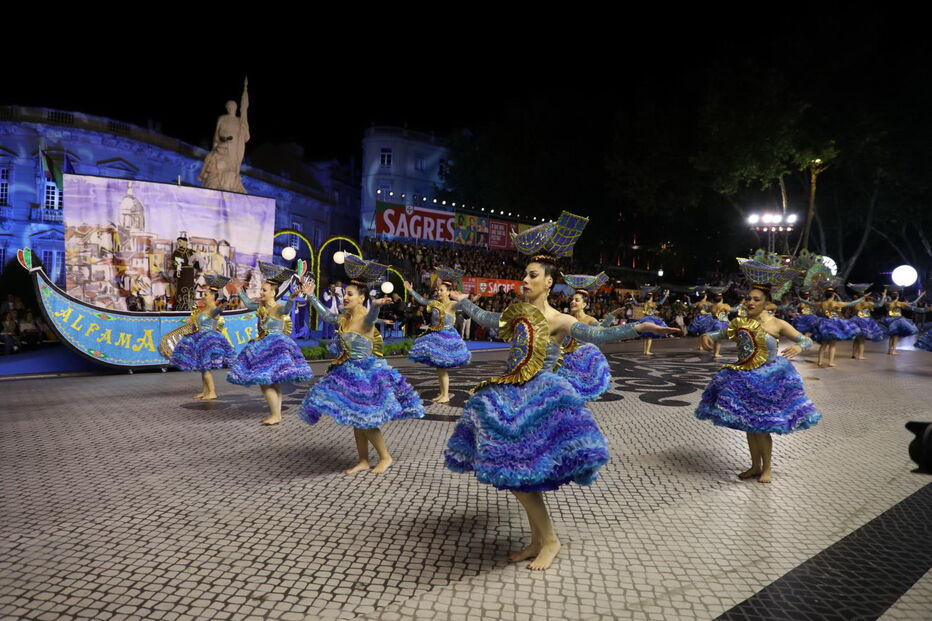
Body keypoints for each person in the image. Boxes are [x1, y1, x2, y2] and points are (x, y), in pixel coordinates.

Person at [445, 212, 679, 571]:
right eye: (524, 274)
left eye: (532, 275)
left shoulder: (561, 320)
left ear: (549, 282)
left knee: (521, 475)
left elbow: (600, 336)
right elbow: (490, 321)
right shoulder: (516, 311)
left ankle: (550, 540)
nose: (524, 280)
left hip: (539, 398)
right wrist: (465, 303)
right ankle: (537, 540)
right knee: (519, 474)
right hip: (509, 394)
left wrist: (639, 328)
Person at [697, 259, 820, 484]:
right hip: (744, 376)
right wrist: (707, 336)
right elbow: (721, 335)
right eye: (748, 298)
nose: (750, 302)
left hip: (770, 378)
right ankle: (754, 466)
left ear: (766, 303)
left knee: (763, 427)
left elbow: (805, 340)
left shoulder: (777, 324)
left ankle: (768, 468)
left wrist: (798, 346)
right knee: (751, 425)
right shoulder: (740, 321)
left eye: (756, 299)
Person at [300, 255, 424, 474]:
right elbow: (327, 315)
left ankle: (385, 457)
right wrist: (311, 297)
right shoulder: (344, 318)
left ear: (361, 298)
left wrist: (376, 306)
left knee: (365, 419)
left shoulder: (366, 317)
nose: (344, 297)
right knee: (357, 419)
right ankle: (363, 460)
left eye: (349, 295)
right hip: (347, 370)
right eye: (344, 294)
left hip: (367, 374)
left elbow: (371, 317)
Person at [227, 263, 313, 425]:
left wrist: (293, 296)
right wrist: (238, 289)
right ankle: (276, 414)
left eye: (264, 290)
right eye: (261, 289)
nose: (261, 292)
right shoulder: (260, 306)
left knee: (266, 382)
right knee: (271, 381)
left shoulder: (279, 308)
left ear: (274, 293)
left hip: (276, 347)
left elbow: (287, 308)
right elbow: (248, 303)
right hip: (262, 345)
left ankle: (275, 414)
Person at [404, 267, 471, 404]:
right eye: (438, 290)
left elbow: (465, 307)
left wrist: (467, 299)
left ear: (448, 292)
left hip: (447, 339)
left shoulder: (453, 305)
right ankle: (442, 393)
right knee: (439, 369)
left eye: (441, 290)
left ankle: (445, 395)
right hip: (435, 336)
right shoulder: (435, 303)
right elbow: (422, 301)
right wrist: (411, 291)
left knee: (442, 368)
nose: (438, 292)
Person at [170, 276, 236, 400]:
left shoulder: (213, 310)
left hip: (209, 340)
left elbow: (219, 310)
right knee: (203, 367)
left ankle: (212, 392)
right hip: (200, 338)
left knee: (206, 368)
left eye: (206, 294)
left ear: (212, 296)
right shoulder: (203, 309)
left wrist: (225, 301)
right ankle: (205, 391)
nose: (203, 296)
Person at [557, 272, 614, 401]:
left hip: (584, 361)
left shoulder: (589, 320)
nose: (572, 302)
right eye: (572, 299)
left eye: (577, 300)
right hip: (564, 359)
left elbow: (601, 332)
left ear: (584, 304)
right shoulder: (566, 318)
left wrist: (611, 317)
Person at [879, 287, 925, 355]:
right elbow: (912, 303)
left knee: (893, 336)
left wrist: (920, 296)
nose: (897, 295)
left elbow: (912, 303)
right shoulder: (891, 303)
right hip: (895, 320)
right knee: (895, 336)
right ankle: (893, 350)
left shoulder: (896, 303)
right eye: (895, 294)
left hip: (892, 320)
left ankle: (890, 350)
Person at [846, 285, 886, 360]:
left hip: (856, 320)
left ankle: (854, 354)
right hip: (864, 321)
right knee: (862, 340)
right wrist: (884, 296)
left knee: (856, 339)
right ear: (864, 295)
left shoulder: (856, 303)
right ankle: (860, 355)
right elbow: (880, 304)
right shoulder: (868, 303)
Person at [629, 288, 670, 355]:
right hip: (651, 319)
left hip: (645, 319)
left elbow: (636, 303)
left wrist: (632, 296)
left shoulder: (644, 304)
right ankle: (647, 351)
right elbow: (661, 302)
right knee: (650, 336)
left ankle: (645, 351)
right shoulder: (653, 304)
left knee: (646, 336)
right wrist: (666, 295)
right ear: (651, 297)